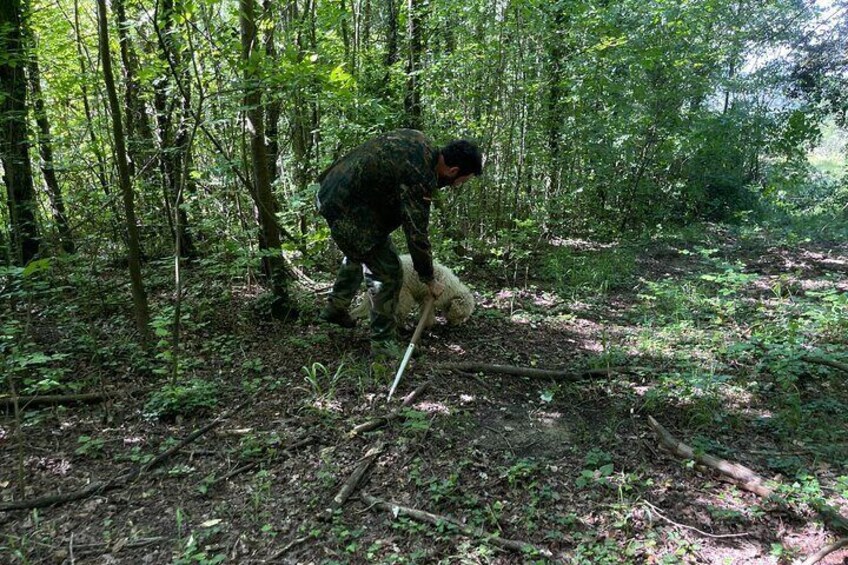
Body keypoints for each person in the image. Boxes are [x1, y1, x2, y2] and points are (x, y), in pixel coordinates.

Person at [316, 129, 482, 358]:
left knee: (361, 249)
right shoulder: (421, 176)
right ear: (453, 171)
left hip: (336, 190)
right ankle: (383, 344)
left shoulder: (420, 141)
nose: (457, 185)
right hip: (346, 206)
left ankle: (335, 308)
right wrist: (429, 278)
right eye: (460, 181)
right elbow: (416, 233)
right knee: (389, 271)